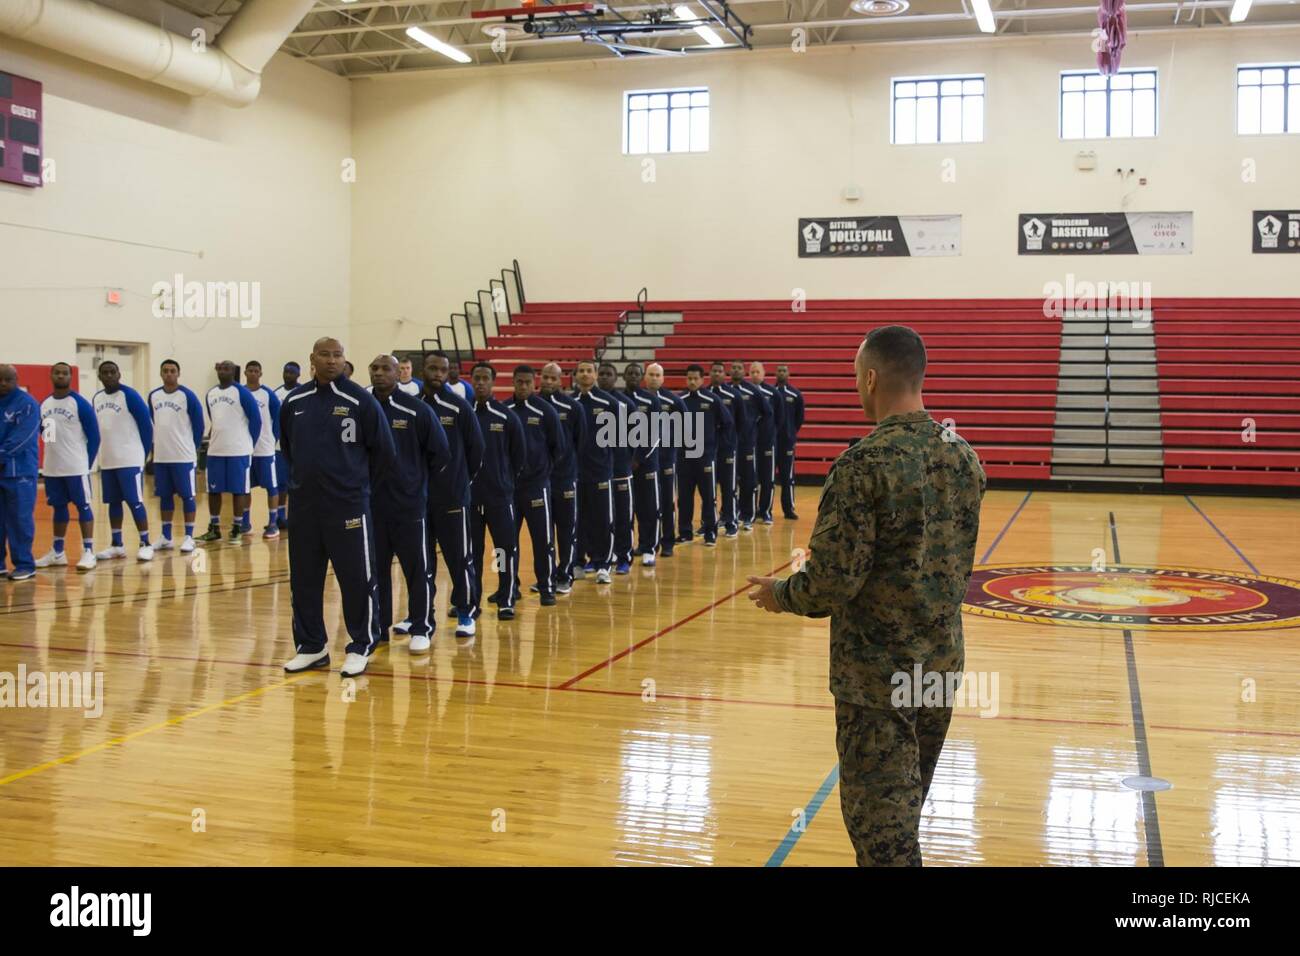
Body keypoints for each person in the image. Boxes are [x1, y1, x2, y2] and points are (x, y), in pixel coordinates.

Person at [747, 326, 986, 867]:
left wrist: (781, 593)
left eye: (858, 377)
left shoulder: (861, 466)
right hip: (939, 668)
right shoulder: (963, 456)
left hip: (877, 681)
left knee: (883, 839)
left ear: (872, 377)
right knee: (905, 816)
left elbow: (831, 583)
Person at [281, 337, 395, 677]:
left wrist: (356, 487)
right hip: (304, 508)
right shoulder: (294, 401)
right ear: (312, 358)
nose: (332, 361)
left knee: (357, 579)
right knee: (304, 579)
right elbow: (288, 448)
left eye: (338, 355)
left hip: (348, 506)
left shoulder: (360, 400)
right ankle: (311, 645)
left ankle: (361, 644)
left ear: (345, 359)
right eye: (325, 355)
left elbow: (384, 454)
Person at [368, 354, 448, 654]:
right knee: (376, 571)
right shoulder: (363, 408)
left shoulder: (417, 410)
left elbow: (441, 454)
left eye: (385, 368)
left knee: (417, 570)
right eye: (374, 369)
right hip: (373, 506)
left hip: (410, 506)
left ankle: (422, 626)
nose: (379, 374)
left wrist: (414, 481)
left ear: (399, 373)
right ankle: (379, 627)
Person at [413, 350, 483, 638]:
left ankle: (466, 612)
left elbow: (476, 452)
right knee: (421, 560)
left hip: (453, 497)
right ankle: (421, 614)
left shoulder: (459, 407)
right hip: (417, 499)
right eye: (432, 369)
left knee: (459, 557)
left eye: (443, 370)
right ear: (422, 370)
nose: (438, 374)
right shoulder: (412, 406)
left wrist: (459, 482)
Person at [469, 362, 525, 621]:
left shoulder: (506, 416)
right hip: (469, 499)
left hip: (500, 498)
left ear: (493, 382)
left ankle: (506, 597)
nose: (480, 383)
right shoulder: (463, 413)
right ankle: (470, 600)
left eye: (485, 379)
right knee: (472, 552)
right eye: (476, 378)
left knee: (502, 551)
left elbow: (518, 457)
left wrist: (504, 482)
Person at [36, 363, 100, 572]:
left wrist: (86, 465)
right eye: (57, 372)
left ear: (70, 377)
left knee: (83, 507)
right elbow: (47, 436)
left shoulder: (79, 403)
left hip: (76, 467)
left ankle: (88, 551)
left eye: (65, 373)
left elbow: (95, 437)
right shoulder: (44, 404)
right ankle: (58, 552)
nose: (61, 376)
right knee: (59, 508)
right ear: (51, 375)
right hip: (53, 468)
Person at [507, 365, 562, 605]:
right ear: (513, 381)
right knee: (503, 544)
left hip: (537, 487)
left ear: (534, 383)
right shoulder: (504, 410)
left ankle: (546, 586)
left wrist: (541, 472)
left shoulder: (545, 411)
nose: (523, 387)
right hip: (507, 490)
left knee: (543, 540)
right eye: (519, 382)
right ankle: (507, 586)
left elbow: (558, 447)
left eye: (528, 382)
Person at [92, 360, 154, 562]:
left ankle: (146, 543)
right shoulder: (97, 398)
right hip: (109, 460)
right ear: (99, 376)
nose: (109, 375)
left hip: (130, 459)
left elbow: (147, 426)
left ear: (119, 374)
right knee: (113, 502)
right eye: (105, 373)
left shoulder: (130, 396)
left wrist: (142, 456)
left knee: (135, 501)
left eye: (112, 372)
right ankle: (117, 545)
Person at [200, 361, 261, 543]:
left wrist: (249, 443)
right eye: (220, 368)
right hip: (216, 450)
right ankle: (214, 527)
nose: (223, 371)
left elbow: (256, 421)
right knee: (213, 491)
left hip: (239, 451)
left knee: (238, 490)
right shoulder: (211, 393)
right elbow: (214, 419)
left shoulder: (242, 392)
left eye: (227, 368)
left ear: (234, 371)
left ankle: (237, 527)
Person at [148, 359, 204, 554]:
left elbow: (199, 426)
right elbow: (152, 424)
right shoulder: (153, 396)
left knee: (188, 496)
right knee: (164, 496)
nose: (169, 374)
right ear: (161, 374)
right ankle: (166, 536)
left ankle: (189, 536)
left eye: (172, 371)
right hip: (162, 457)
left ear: (178, 374)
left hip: (183, 457)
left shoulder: (187, 396)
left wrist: (192, 449)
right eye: (165, 371)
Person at [539, 362, 584, 592]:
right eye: (545, 377)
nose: (547, 381)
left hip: (564, 479)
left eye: (552, 378)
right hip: (537, 482)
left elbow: (580, 442)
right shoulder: (531, 406)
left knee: (565, 529)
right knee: (543, 533)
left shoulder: (572, 407)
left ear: (561, 380)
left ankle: (565, 573)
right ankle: (545, 576)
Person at [677, 364, 730, 547]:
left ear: (702, 379)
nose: (692, 381)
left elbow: (727, 424)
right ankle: (685, 532)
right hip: (684, 458)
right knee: (684, 497)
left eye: (695, 378)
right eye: (689, 378)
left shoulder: (712, 400)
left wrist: (715, 447)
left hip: (706, 458)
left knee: (709, 497)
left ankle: (710, 532)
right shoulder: (680, 400)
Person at [571, 359, 615, 585]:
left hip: (600, 472)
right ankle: (577, 561)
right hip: (574, 474)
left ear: (595, 374)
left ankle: (603, 564)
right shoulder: (569, 403)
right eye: (581, 371)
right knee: (577, 519)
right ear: (576, 375)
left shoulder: (609, 402)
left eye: (589, 371)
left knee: (602, 520)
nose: (585, 374)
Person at [0, 365, 41, 580]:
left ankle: (25, 564)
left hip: (20, 473)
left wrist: (1, 455)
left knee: (19, 519)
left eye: (7, 379)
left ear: (16, 379)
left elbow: (23, 437)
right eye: (0, 380)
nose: (3, 384)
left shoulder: (28, 404)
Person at [598, 362, 638, 575]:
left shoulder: (625, 404)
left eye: (608, 374)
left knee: (623, 516)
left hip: (620, 470)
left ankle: (624, 556)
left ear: (616, 378)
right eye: (601, 374)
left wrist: (628, 459)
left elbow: (636, 435)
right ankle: (602, 555)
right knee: (600, 517)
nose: (604, 377)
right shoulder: (587, 403)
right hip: (596, 471)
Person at [643, 363, 686, 558]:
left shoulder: (673, 401)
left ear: (663, 378)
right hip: (643, 461)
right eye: (650, 374)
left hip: (667, 460)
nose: (653, 378)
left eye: (657, 375)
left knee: (667, 501)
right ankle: (646, 543)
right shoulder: (638, 400)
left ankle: (668, 541)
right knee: (646, 503)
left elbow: (686, 425)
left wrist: (672, 447)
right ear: (645, 377)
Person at [622, 362, 661, 566]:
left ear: (642, 377)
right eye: (630, 373)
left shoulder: (651, 400)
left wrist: (638, 458)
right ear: (624, 376)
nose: (633, 376)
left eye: (637, 373)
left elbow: (655, 435)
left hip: (646, 464)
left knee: (648, 507)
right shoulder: (617, 400)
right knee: (626, 508)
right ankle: (625, 547)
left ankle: (649, 548)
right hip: (622, 465)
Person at [244, 360, 283, 539]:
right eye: (250, 370)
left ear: (260, 374)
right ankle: (245, 522)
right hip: (245, 449)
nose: (252, 373)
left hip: (265, 449)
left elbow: (278, 420)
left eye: (256, 371)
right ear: (245, 372)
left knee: (271, 487)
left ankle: (273, 523)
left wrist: (272, 440)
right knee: (244, 488)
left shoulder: (268, 395)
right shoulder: (240, 393)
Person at [708, 361, 744, 539]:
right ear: (709, 373)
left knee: (728, 487)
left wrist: (731, 441)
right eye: (714, 371)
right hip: (707, 450)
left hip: (727, 449)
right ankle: (710, 523)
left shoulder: (733, 395)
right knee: (708, 489)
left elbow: (741, 421)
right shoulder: (705, 394)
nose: (716, 374)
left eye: (720, 371)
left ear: (725, 374)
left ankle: (731, 522)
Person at [750, 361, 785, 524]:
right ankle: (749, 511)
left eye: (758, 371)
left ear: (764, 373)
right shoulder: (745, 392)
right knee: (750, 478)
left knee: (767, 479)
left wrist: (770, 433)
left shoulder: (772, 393)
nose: (755, 374)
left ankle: (765, 511)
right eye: (752, 372)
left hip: (767, 442)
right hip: (749, 442)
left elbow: (779, 417)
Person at [730, 359, 763, 530]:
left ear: (744, 372)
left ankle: (748, 515)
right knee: (729, 481)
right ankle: (728, 514)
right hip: (728, 445)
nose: (736, 370)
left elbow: (768, 413)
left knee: (748, 480)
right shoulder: (725, 391)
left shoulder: (752, 391)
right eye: (733, 368)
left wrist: (753, 430)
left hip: (747, 443)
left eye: (739, 368)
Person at [271, 361, 300, 532]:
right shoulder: (276, 394)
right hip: (279, 447)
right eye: (286, 372)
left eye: (291, 372)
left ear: (298, 375)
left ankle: (295, 517)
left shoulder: (303, 392)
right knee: (280, 483)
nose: (288, 375)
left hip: (298, 446)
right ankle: (279, 517)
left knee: (296, 485)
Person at [775, 364, 806, 519]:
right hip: (769, 442)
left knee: (787, 477)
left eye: (784, 371)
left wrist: (790, 433)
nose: (781, 373)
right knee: (765, 478)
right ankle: (762, 510)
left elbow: (799, 418)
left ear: (788, 373)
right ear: (775, 373)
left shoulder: (795, 394)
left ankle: (788, 509)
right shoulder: (769, 393)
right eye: (779, 370)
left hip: (787, 442)